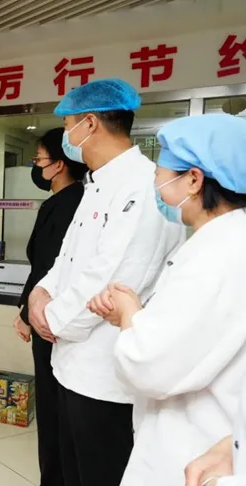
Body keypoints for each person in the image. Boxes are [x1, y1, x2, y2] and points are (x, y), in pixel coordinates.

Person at [26, 78, 186, 486]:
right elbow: (68, 258)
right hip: (69, 365)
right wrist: (41, 293)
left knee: (98, 473)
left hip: (104, 376)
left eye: (68, 126)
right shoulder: (96, 184)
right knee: (69, 471)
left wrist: (51, 320)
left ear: (90, 124)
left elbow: (114, 276)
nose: (67, 136)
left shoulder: (143, 186)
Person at [86, 114, 246, 486]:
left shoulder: (215, 255)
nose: (156, 185)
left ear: (194, 179)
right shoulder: (225, 241)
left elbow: (149, 364)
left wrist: (129, 313)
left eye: (160, 173)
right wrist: (137, 316)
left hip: (194, 444)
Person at [14, 128, 87, 486]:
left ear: (59, 165)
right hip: (57, 314)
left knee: (52, 404)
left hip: (50, 318)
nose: (35, 166)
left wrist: (26, 314)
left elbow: (46, 266)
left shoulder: (66, 204)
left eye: (39, 159)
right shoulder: (77, 199)